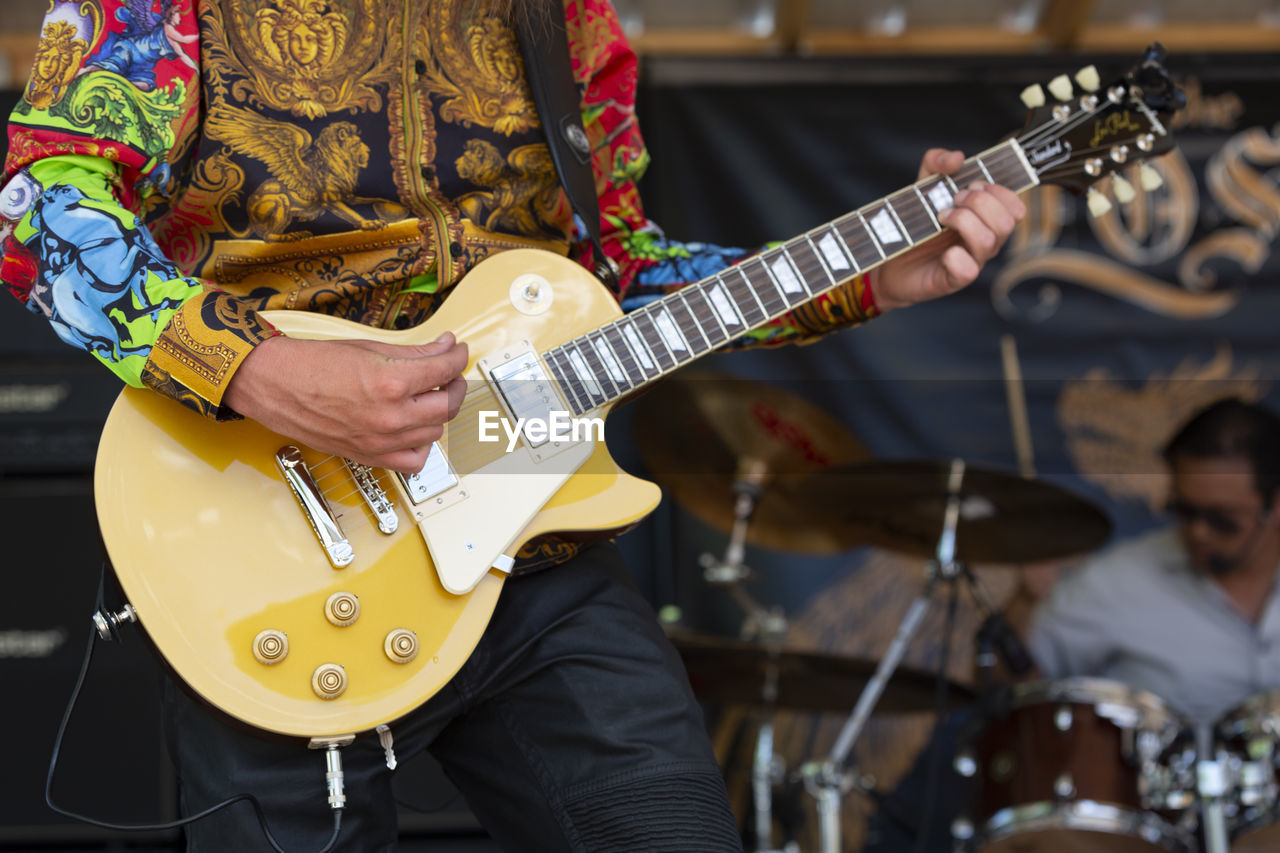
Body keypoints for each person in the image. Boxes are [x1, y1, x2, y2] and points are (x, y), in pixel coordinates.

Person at [1, 1, 1025, 850]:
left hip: (531, 541)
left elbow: (615, 272)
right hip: (268, 526)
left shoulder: (566, 20)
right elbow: (39, 207)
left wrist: (866, 276)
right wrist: (258, 368)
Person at [1024, 397, 1280, 723]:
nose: (1199, 532)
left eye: (1222, 519)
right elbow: (1012, 686)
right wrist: (1023, 601)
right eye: (1185, 512)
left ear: (1275, 506)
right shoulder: (1118, 580)